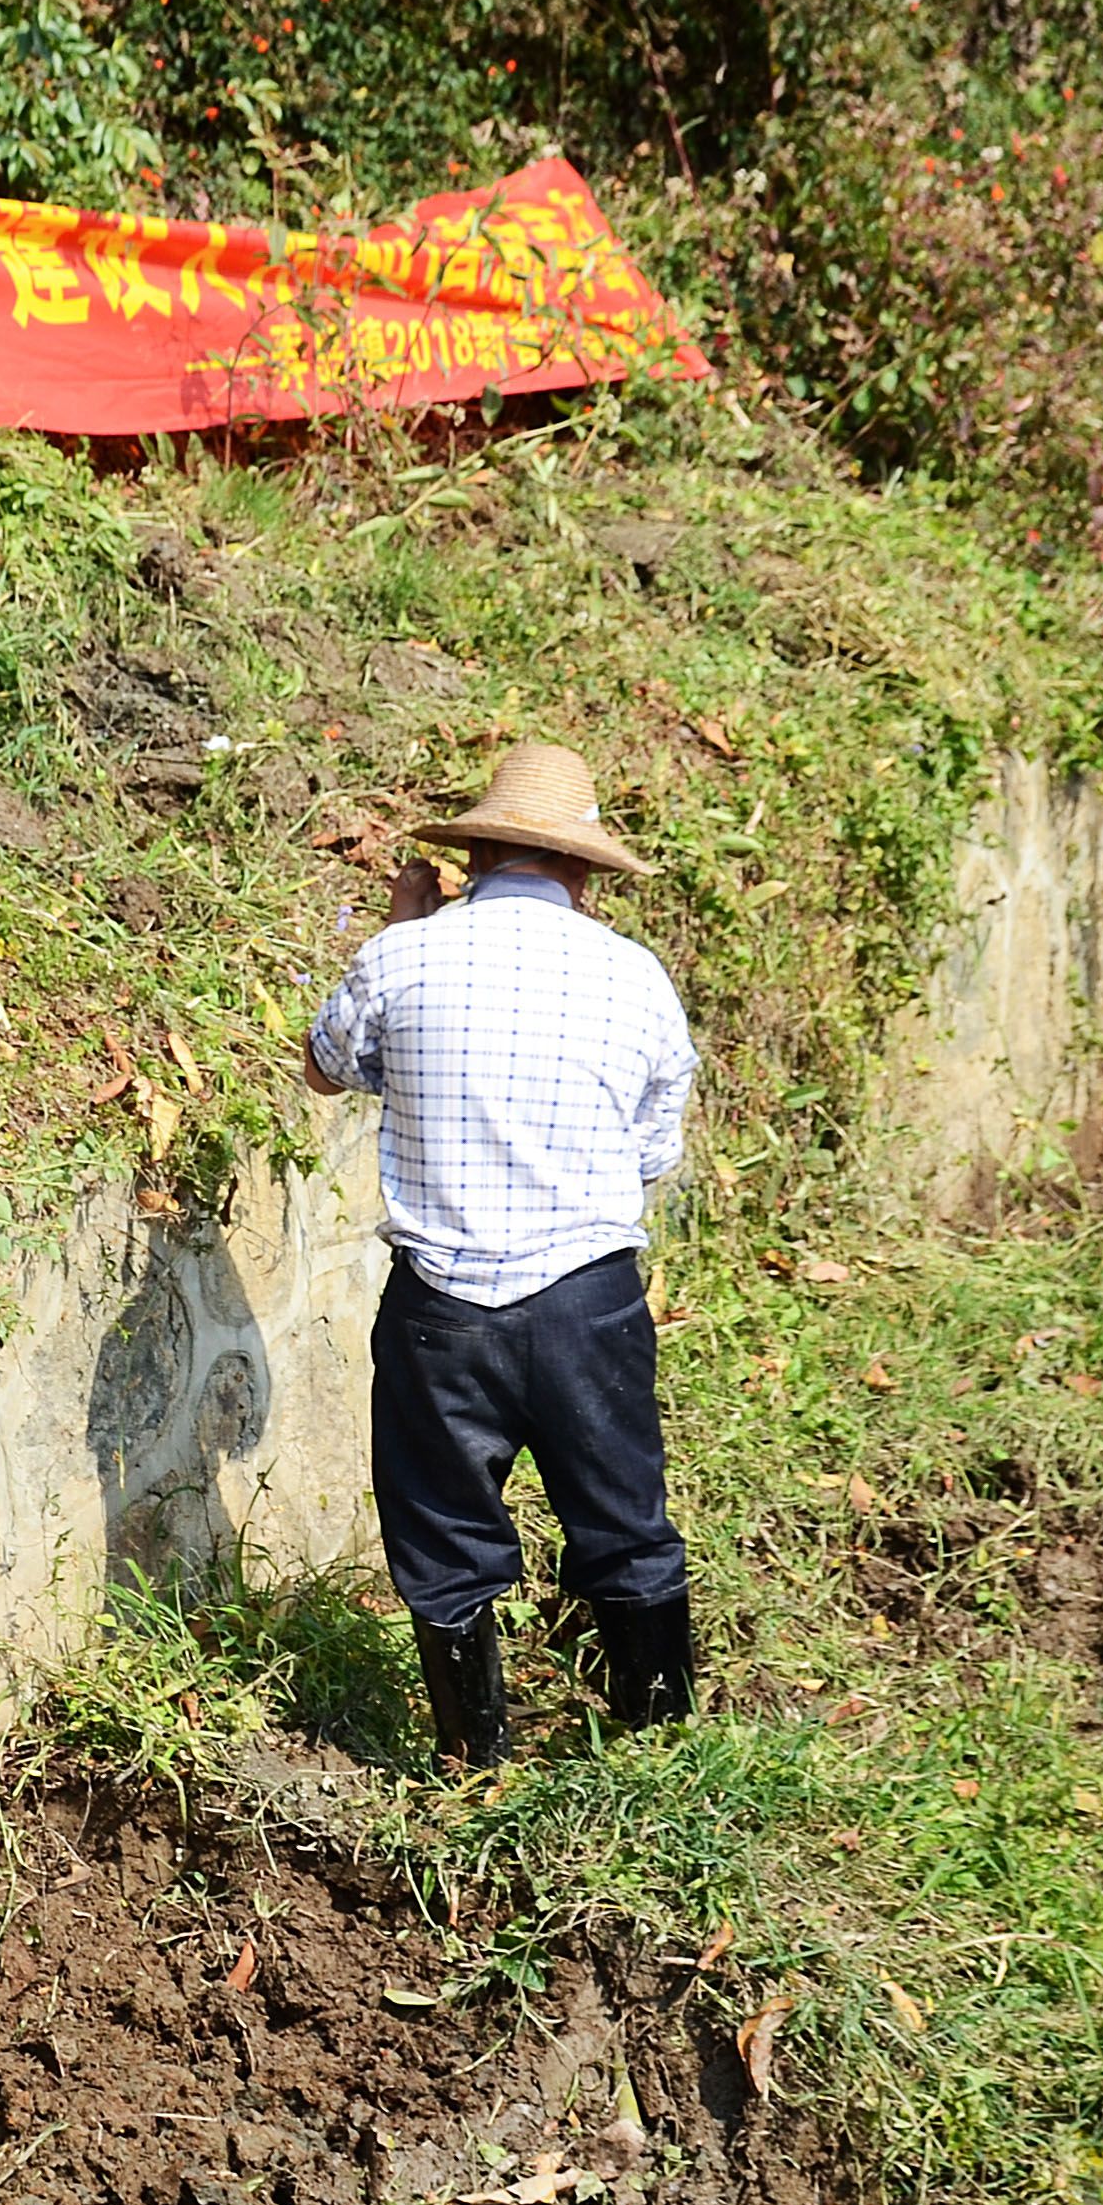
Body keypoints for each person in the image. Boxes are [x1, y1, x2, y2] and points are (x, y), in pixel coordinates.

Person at [303, 742, 699, 1770]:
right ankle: (658, 1751)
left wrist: (402, 924)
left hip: (439, 1312)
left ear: (472, 856)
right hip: (587, 1305)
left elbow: (326, 1067)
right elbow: (652, 1152)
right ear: (584, 870)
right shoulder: (634, 977)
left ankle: (469, 1758)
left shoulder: (401, 957)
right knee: (624, 1520)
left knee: (441, 1533)